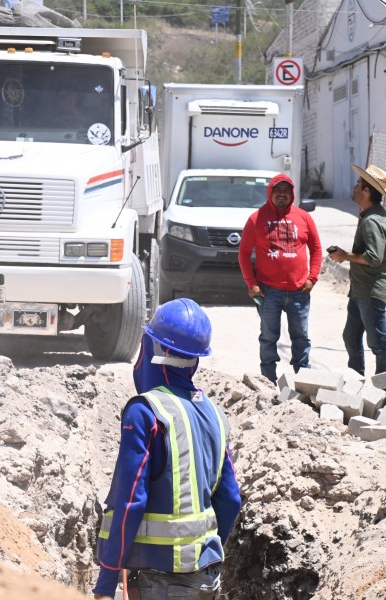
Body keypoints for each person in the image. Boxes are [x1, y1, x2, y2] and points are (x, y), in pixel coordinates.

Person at [93, 299, 241, 600]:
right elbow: (230, 499)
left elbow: (130, 500)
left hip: (163, 585)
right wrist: (204, 555)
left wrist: (106, 583)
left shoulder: (146, 412)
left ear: (155, 349)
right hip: (206, 577)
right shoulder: (214, 414)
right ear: (196, 359)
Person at [237, 174, 322, 384]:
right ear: (270, 193)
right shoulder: (256, 219)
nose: (282, 194)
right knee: (268, 338)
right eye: (278, 190)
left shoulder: (304, 217)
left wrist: (312, 278)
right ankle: (268, 382)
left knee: (301, 338)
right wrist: (252, 284)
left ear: (292, 194)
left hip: (299, 292)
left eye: (286, 190)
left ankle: (304, 383)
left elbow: (317, 248)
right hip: (268, 292)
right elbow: (244, 254)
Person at [330, 164, 386, 376]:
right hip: (360, 290)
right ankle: (356, 380)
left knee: (378, 342)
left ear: (367, 191)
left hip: (370, 291)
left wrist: (344, 256)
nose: (354, 187)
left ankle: (383, 390)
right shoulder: (372, 214)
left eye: (358, 184)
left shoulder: (372, 220)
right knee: (351, 336)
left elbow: (375, 257)